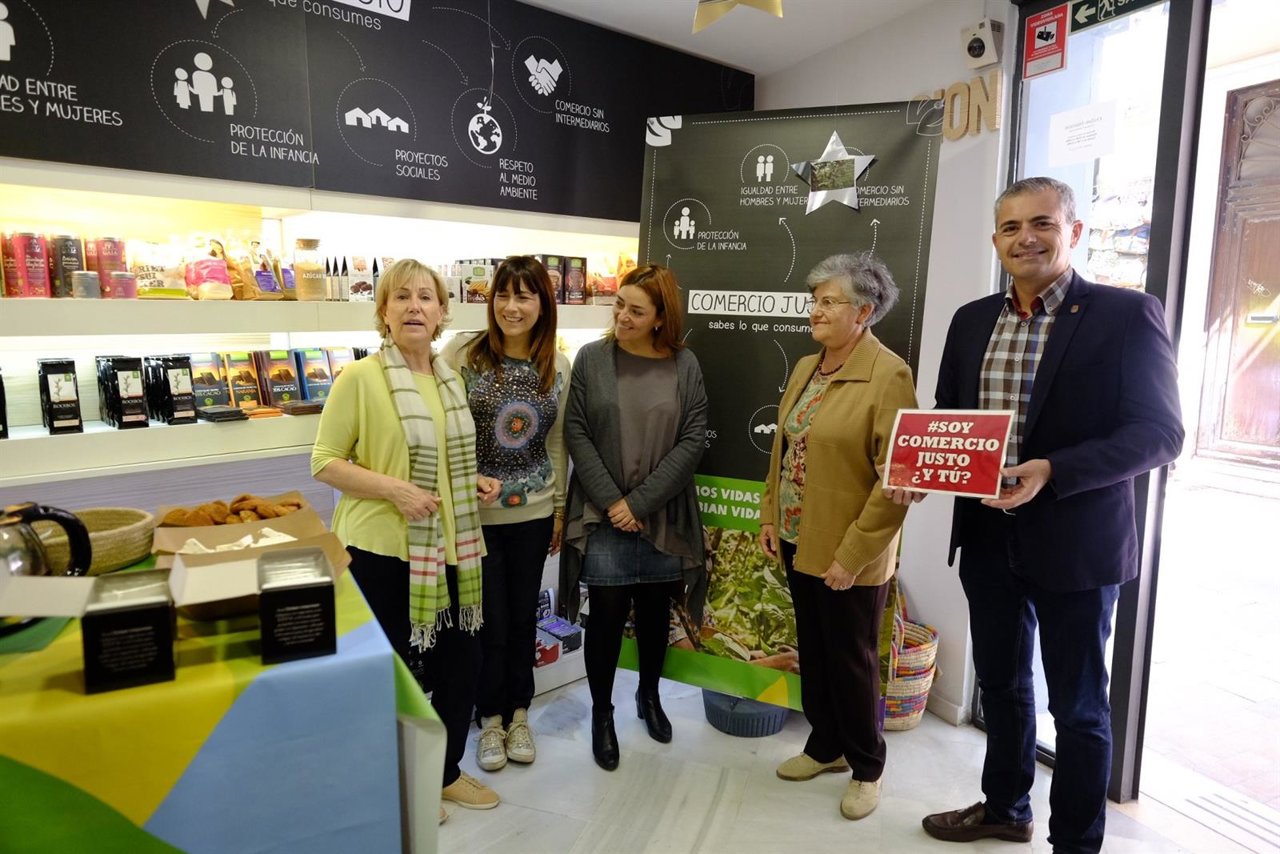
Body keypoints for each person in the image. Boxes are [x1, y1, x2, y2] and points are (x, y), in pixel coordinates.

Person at [890, 177, 1183, 852]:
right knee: (1001, 684)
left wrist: (1054, 471)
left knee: (1079, 710)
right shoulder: (970, 320)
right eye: (1011, 227)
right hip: (989, 538)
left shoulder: (1124, 315)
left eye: (1042, 223)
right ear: (995, 240)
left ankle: (1075, 843)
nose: (1026, 237)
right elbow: (949, 419)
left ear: (1072, 232)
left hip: (1077, 542)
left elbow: (1159, 434)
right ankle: (1005, 808)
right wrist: (918, 468)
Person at [311, 259, 503, 822]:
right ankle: (391, 781)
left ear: (443, 311)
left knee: (459, 667)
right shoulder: (360, 379)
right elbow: (324, 462)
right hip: (381, 552)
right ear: (384, 312)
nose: (415, 306)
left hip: (452, 549)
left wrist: (472, 481)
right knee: (389, 673)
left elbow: (441, 460)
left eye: (426, 297)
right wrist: (395, 490)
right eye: (402, 298)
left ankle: (441, 773)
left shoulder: (449, 379)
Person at [757, 252, 919, 822]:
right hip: (801, 535)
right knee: (816, 650)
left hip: (852, 547)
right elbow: (785, 449)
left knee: (851, 659)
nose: (816, 311)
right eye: (815, 300)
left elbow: (895, 481)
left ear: (865, 311)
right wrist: (771, 516)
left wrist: (852, 556)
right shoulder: (807, 366)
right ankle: (824, 746)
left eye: (829, 302)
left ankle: (867, 766)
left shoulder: (889, 375)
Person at [559, 263, 708, 771]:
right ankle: (603, 713)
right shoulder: (592, 359)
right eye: (618, 305)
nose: (621, 316)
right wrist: (612, 503)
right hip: (603, 517)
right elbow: (576, 432)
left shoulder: (684, 365)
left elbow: (693, 439)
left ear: (661, 317)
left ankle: (649, 696)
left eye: (635, 310)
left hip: (662, 515)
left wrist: (638, 503)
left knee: (652, 614)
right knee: (603, 619)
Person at [443, 256, 570, 774]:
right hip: (475, 516)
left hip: (535, 514)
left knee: (522, 619)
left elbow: (557, 440)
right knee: (485, 623)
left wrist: (559, 506)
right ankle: (488, 718)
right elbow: (447, 432)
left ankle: (519, 711)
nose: (512, 307)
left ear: (543, 304)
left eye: (525, 296)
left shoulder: (557, 365)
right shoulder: (463, 355)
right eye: (503, 295)